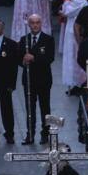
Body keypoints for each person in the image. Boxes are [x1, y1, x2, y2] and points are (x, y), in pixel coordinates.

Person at [19, 13, 56, 144]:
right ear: (29, 25)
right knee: (30, 108)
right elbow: (19, 58)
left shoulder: (48, 39)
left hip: (44, 79)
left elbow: (49, 58)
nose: (35, 25)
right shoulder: (24, 39)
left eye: (37, 22)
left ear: (41, 24)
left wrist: (33, 58)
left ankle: (46, 133)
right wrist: (23, 60)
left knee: (45, 107)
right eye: (32, 23)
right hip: (29, 80)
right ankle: (30, 134)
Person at [60, 0, 88, 91]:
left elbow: (67, 12)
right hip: (72, 28)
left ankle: (78, 82)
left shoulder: (80, 0)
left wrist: (67, 1)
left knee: (74, 55)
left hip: (73, 30)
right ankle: (76, 82)